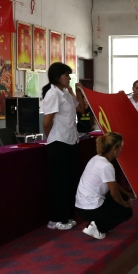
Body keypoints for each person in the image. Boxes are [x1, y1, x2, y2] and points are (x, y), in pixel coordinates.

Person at [42, 62, 86, 230]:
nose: (69, 78)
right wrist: (52, 137)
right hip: (58, 142)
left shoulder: (66, 93)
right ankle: (56, 219)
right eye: (66, 75)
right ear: (57, 77)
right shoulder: (53, 94)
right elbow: (47, 122)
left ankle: (67, 216)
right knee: (60, 182)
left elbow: (81, 109)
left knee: (70, 180)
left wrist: (78, 91)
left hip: (71, 140)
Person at [75, 132, 134, 240]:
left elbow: (113, 183)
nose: (121, 150)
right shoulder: (107, 166)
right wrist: (125, 204)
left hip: (82, 207)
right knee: (127, 212)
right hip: (90, 209)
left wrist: (127, 193)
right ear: (115, 148)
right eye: (120, 147)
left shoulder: (96, 158)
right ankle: (98, 227)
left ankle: (96, 223)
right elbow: (114, 193)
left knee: (123, 197)